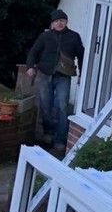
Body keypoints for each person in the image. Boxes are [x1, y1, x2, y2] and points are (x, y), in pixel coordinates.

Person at [25, 9, 84, 151]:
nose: (59, 23)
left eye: (62, 20)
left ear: (66, 21)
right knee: (45, 105)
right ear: (52, 23)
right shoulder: (45, 37)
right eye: (56, 21)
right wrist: (30, 67)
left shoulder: (74, 37)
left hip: (64, 76)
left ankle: (60, 139)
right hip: (45, 74)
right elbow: (33, 52)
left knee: (62, 106)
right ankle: (48, 133)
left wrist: (82, 74)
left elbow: (81, 56)